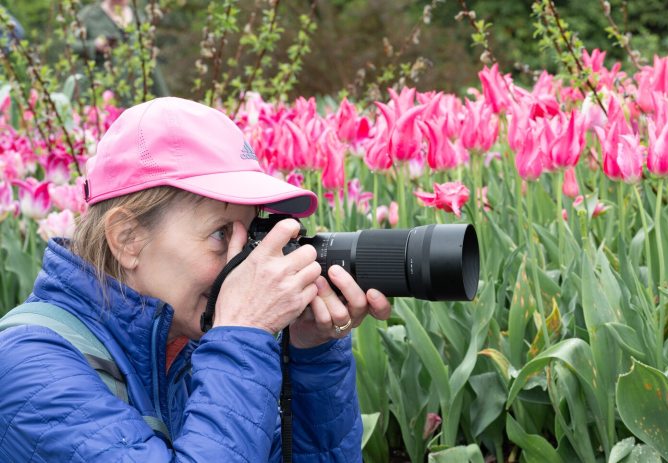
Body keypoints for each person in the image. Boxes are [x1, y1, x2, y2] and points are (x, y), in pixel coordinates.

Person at [0, 97, 391, 461]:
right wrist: (242, 334)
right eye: (222, 234)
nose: (245, 263)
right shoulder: (28, 368)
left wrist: (311, 354)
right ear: (128, 239)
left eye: (251, 234)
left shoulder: (186, 350)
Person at [73, 0, 170, 98]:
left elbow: (149, 59)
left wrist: (164, 97)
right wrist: (94, 45)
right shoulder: (89, 15)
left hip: (135, 93)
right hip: (100, 91)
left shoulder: (139, 17)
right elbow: (71, 46)